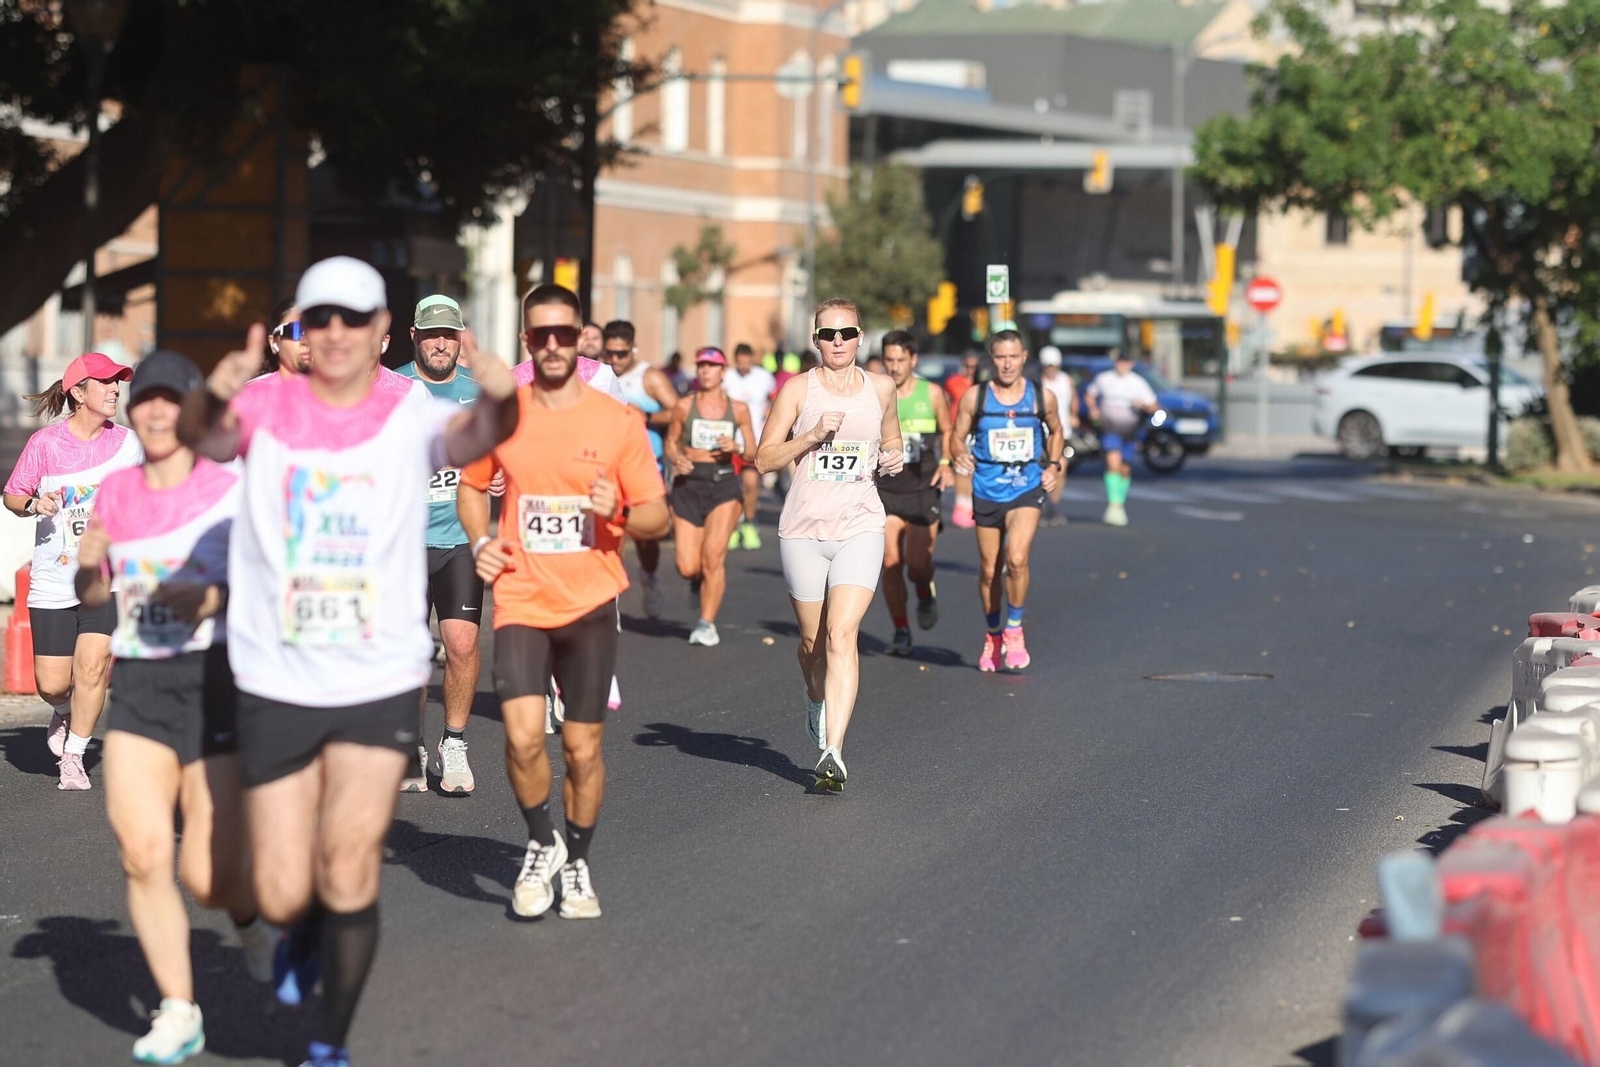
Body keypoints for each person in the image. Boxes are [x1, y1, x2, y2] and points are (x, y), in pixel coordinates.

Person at [182, 256, 519, 1067]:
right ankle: (291, 927)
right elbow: (201, 435)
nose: (333, 334)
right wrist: (218, 383)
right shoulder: (262, 403)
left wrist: (497, 385)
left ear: (378, 333)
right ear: (302, 327)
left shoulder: (409, 409)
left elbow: (482, 432)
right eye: (318, 318)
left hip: (377, 672)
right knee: (284, 878)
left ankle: (329, 1040)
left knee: (349, 861)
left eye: (352, 319)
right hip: (275, 671)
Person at [74, 350, 274, 1064]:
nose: (155, 412)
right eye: (145, 401)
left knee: (207, 876)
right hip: (142, 685)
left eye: (170, 400)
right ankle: (179, 1007)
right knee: (142, 850)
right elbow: (95, 594)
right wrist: (88, 563)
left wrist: (210, 597)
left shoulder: (229, 488)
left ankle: (249, 920)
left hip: (213, 677)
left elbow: (271, 582)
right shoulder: (117, 490)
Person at [457, 282, 668, 921]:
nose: (552, 345)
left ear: (581, 340)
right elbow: (471, 488)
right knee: (522, 741)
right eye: (539, 335)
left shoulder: (617, 421)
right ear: (528, 341)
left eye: (563, 334)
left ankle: (576, 859)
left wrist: (623, 511)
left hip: (590, 604)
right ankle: (540, 841)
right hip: (521, 599)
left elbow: (657, 516)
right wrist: (480, 539)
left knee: (580, 749)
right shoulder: (503, 414)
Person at [758, 299, 901, 790]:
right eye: (827, 334)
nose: (837, 342)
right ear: (815, 339)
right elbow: (763, 459)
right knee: (812, 643)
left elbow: (891, 438)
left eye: (847, 332)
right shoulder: (798, 390)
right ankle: (814, 697)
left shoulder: (881, 388)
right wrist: (812, 436)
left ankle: (833, 751)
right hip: (804, 529)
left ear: (861, 337)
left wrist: (894, 457)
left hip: (861, 525)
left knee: (843, 634)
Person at [3, 351, 141, 789]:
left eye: (118, 381)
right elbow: (13, 495)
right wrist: (33, 505)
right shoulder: (45, 445)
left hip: (106, 578)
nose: (115, 389)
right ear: (78, 392)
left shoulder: (129, 444)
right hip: (53, 579)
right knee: (53, 683)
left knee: (94, 666)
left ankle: (75, 757)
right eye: (105, 383)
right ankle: (62, 712)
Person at [395, 294, 482, 795]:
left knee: (462, 643)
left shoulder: (478, 392)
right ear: (416, 337)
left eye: (449, 334)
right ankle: (410, 743)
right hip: (402, 543)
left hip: (458, 540)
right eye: (431, 335)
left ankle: (454, 744)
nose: (441, 344)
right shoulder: (392, 388)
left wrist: (497, 480)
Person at [950, 330, 1064, 673]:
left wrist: (1054, 465)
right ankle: (993, 633)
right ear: (992, 358)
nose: (1007, 363)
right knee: (988, 570)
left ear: (1024, 357)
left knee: (1016, 559)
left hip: (1026, 486)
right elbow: (957, 438)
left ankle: (1014, 628)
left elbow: (1056, 431)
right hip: (986, 489)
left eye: (1013, 356)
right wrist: (960, 456)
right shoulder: (976, 398)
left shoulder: (1042, 398)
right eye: (1000, 357)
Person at [663, 348, 758, 647]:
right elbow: (671, 441)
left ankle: (706, 624)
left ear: (722, 371)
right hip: (689, 486)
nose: (705, 371)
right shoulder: (683, 405)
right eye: (701, 365)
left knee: (713, 558)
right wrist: (676, 459)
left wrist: (736, 447)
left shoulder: (738, 409)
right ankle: (697, 581)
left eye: (711, 366)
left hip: (723, 486)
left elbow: (754, 451)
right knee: (687, 566)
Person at [875, 331, 955, 656]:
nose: (894, 367)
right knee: (890, 561)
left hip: (923, 490)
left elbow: (948, 429)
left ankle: (924, 590)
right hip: (887, 490)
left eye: (900, 360)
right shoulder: (875, 393)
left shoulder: (932, 393)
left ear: (913, 360)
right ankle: (901, 630)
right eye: (889, 360)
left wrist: (947, 462)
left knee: (917, 564)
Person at [602, 319, 678, 620]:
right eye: (610, 353)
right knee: (610, 532)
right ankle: (610, 602)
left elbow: (679, 411)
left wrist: (646, 415)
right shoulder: (598, 374)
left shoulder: (650, 377)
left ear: (632, 349)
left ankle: (649, 578)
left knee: (646, 538)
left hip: (646, 466)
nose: (615, 360)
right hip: (607, 467)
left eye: (621, 354)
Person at [1085, 350, 1158, 527]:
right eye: (1120, 362)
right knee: (1113, 462)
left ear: (1131, 364)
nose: (1122, 365)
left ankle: (1119, 503)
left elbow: (1154, 406)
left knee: (1124, 468)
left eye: (1126, 362)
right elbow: (1089, 394)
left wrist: (1142, 405)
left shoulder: (1138, 383)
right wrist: (1093, 409)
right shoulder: (1104, 379)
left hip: (1130, 430)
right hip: (1109, 427)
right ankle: (1114, 504)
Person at [722, 342, 776, 551]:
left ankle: (749, 523)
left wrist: (770, 417)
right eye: (740, 362)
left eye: (747, 362)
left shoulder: (763, 377)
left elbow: (775, 400)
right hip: (729, 439)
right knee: (731, 486)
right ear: (735, 360)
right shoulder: (726, 377)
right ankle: (734, 525)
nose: (744, 366)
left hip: (753, 440)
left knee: (751, 483)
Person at [1037, 346, 1079, 526]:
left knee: (1060, 467)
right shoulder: (1038, 382)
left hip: (1062, 431)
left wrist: (1073, 414)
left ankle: (1054, 504)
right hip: (1042, 432)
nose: (1051, 369)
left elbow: (1074, 399)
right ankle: (1039, 503)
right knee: (1039, 469)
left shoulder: (1066, 380)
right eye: (1048, 365)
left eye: (1053, 365)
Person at [945, 350, 982, 528]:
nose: (971, 370)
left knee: (975, 469)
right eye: (968, 366)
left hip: (977, 431)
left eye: (975, 367)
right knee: (961, 468)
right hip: (957, 430)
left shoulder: (982, 385)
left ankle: (974, 504)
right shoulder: (953, 382)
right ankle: (961, 505)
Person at [261, 298, 311, 379]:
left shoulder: (337, 389)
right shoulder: (253, 390)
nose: (306, 341)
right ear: (273, 342)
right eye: (296, 330)